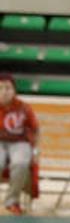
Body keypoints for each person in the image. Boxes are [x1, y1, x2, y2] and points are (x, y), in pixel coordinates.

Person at [0, 74, 39, 215]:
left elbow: (35, 130)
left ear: (14, 90)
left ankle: (12, 201)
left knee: (21, 163)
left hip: (20, 142)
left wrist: (35, 152)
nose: (4, 91)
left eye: (8, 88)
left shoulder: (24, 108)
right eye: (1, 88)